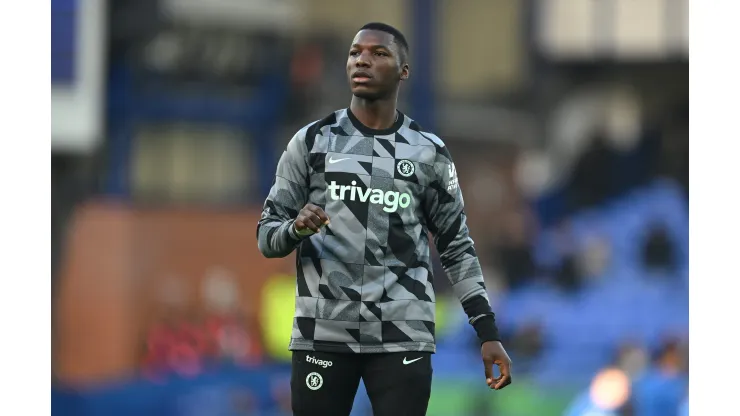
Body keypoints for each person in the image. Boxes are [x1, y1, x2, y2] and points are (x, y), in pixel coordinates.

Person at [257, 22, 512, 416]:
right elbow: (266, 237)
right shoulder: (311, 142)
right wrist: (294, 229)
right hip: (324, 333)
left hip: (401, 335)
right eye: (356, 52)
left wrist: (487, 332)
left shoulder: (428, 153)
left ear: (403, 71)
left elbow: (456, 246)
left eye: (379, 54)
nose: (363, 59)